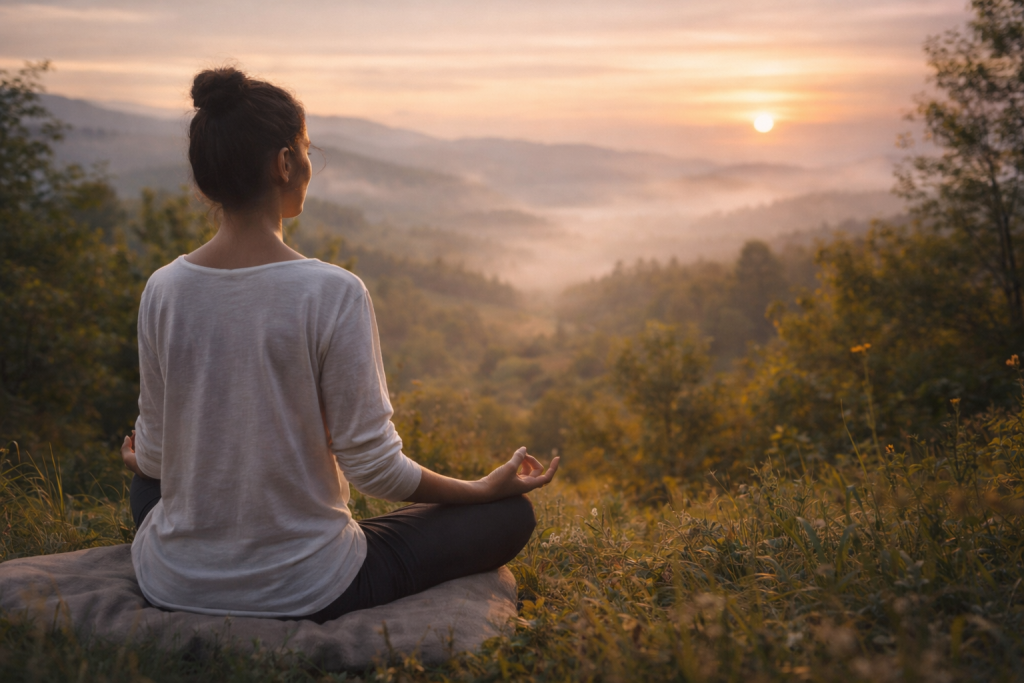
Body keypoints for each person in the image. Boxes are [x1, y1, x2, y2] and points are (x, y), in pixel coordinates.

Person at [119, 67, 558, 623]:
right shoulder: (332, 292)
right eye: (306, 150)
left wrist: (143, 459)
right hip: (308, 587)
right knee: (509, 518)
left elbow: (156, 458)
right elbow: (376, 471)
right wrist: (480, 489)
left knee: (146, 488)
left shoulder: (164, 288)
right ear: (284, 164)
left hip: (173, 580)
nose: (308, 163)